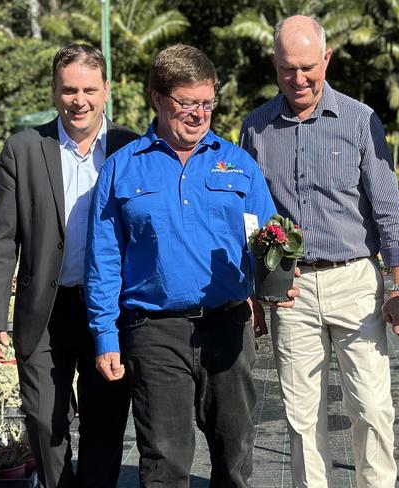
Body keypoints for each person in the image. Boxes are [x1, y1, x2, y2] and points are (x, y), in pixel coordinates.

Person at [84, 44, 286, 488]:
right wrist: (104, 335)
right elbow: (103, 257)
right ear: (156, 98)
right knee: (165, 464)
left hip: (227, 327)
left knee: (235, 458)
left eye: (208, 103)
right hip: (154, 332)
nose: (199, 114)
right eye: (187, 103)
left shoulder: (238, 164)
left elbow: (270, 237)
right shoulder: (122, 170)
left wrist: (276, 276)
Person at [240, 15, 399, 488]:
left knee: (371, 407)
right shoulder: (256, 128)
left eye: (307, 67)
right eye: (286, 69)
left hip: (354, 280)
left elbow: (386, 207)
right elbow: (249, 218)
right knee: (301, 416)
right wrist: (256, 290)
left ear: (326, 59)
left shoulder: (360, 121)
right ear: (274, 65)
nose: (298, 79)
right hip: (291, 288)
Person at [0, 44, 136, 487]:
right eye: (69, 90)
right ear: (54, 91)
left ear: (106, 91)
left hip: (110, 311)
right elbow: (0, 238)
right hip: (45, 312)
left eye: (89, 89)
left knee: (105, 426)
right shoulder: (25, 149)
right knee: (46, 423)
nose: (79, 100)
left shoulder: (132, 148)